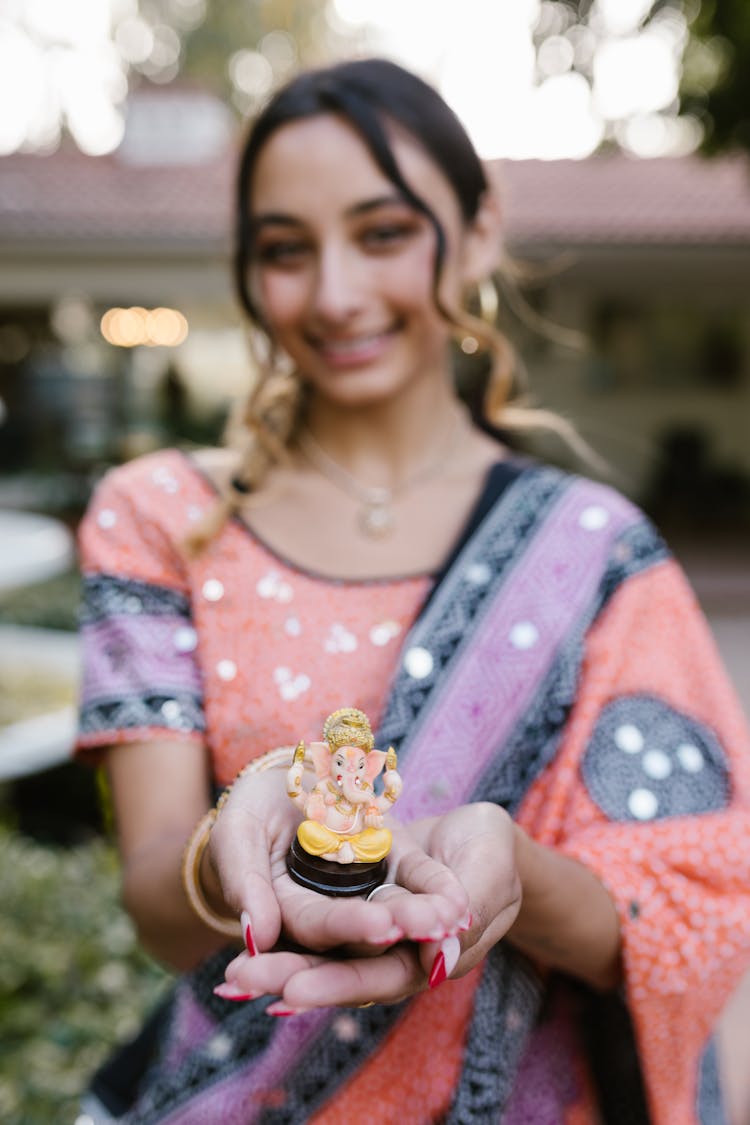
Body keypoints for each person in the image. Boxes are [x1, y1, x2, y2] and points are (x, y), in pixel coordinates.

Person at [75, 57, 750, 1124]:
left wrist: (514, 872)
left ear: (478, 232)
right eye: (286, 250)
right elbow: (162, 906)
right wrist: (228, 856)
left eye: (384, 233)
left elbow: (695, 902)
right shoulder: (158, 517)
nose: (336, 293)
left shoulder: (596, 550)